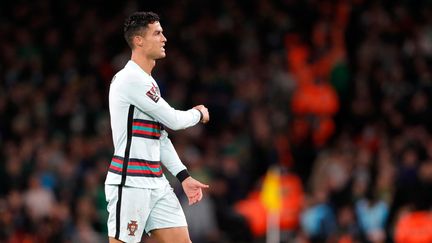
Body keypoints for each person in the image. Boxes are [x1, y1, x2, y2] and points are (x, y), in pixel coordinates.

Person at [105, 11, 210, 243]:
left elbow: (159, 136)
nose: (164, 38)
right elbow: (173, 120)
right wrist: (198, 113)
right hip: (130, 181)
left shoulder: (148, 81)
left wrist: (183, 176)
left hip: (156, 181)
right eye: (157, 33)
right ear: (139, 40)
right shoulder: (130, 79)